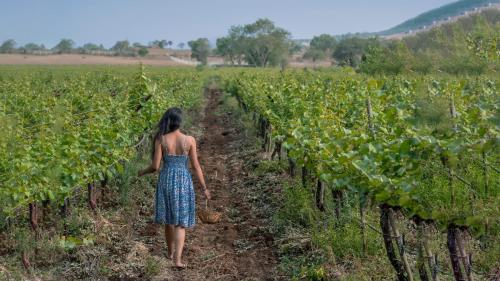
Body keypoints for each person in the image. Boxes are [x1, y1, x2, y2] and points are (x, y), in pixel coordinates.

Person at [138, 107, 211, 268]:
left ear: (167, 121)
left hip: (167, 180)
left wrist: (141, 172)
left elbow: (155, 166)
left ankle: (169, 253)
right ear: (179, 121)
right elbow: (196, 166)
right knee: (180, 223)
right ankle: (178, 260)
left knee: (169, 220)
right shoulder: (189, 140)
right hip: (183, 181)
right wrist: (204, 188)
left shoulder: (161, 139)